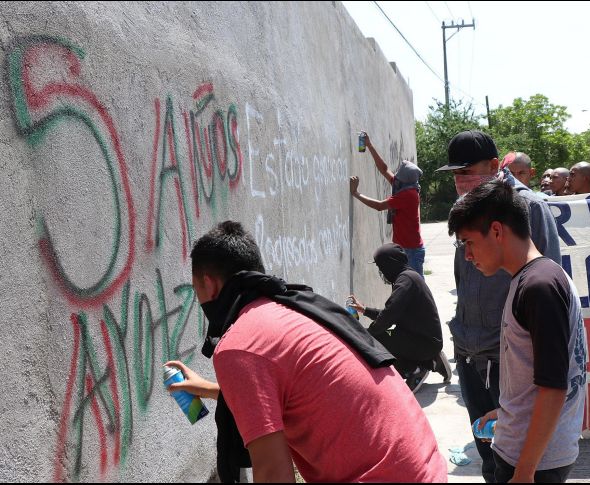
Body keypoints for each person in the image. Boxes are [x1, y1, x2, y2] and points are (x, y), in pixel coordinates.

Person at [165, 221, 447, 483]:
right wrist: (208, 390)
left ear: (208, 283)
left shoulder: (239, 344)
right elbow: (290, 395)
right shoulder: (298, 310)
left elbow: (274, 473)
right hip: (425, 467)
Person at [436, 130, 561, 483]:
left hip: (511, 361)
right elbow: (463, 281)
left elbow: (547, 284)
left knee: (520, 459)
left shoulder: (528, 208)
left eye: (467, 171)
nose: (461, 181)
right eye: (455, 175)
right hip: (471, 353)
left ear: (494, 165)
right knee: (489, 455)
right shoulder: (465, 209)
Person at [447, 180, 586, 484]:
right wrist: (506, 413)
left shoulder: (539, 287)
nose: (467, 256)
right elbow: (533, 375)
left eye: (469, 242)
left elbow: (554, 387)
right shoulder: (531, 278)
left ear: (497, 231)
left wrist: (525, 472)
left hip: (535, 463)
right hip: (527, 451)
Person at [348, 243, 451, 393]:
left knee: (377, 341)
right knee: (383, 336)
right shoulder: (407, 277)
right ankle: (431, 359)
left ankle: (416, 369)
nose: (381, 271)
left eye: (381, 266)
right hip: (425, 339)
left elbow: (388, 316)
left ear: (390, 264)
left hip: (424, 342)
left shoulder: (405, 281)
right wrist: (365, 310)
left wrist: (366, 335)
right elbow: (392, 314)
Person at [350, 132, 426, 276]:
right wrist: (369, 145)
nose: (395, 176)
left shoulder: (408, 195)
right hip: (404, 248)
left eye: (398, 175)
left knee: (416, 289)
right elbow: (384, 170)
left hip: (411, 250)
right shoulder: (405, 186)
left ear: (404, 179)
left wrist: (356, 193)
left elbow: (379, 206)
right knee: (405, 286)